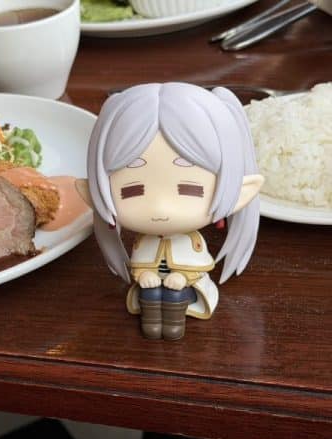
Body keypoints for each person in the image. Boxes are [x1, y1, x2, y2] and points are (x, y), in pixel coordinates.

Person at [82, 82, 263, 340]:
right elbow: (140, 264)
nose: (160, 207)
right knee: (150, 295)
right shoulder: (143, 242)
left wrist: (182, 277)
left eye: (190, 189)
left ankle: (174, 323)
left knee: (176, 295)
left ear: (239, 190)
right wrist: (144, 274)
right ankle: (153, 323)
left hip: (184, 289)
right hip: (150, 292)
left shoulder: (191, 243)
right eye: (132, 190)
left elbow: (197, 265)